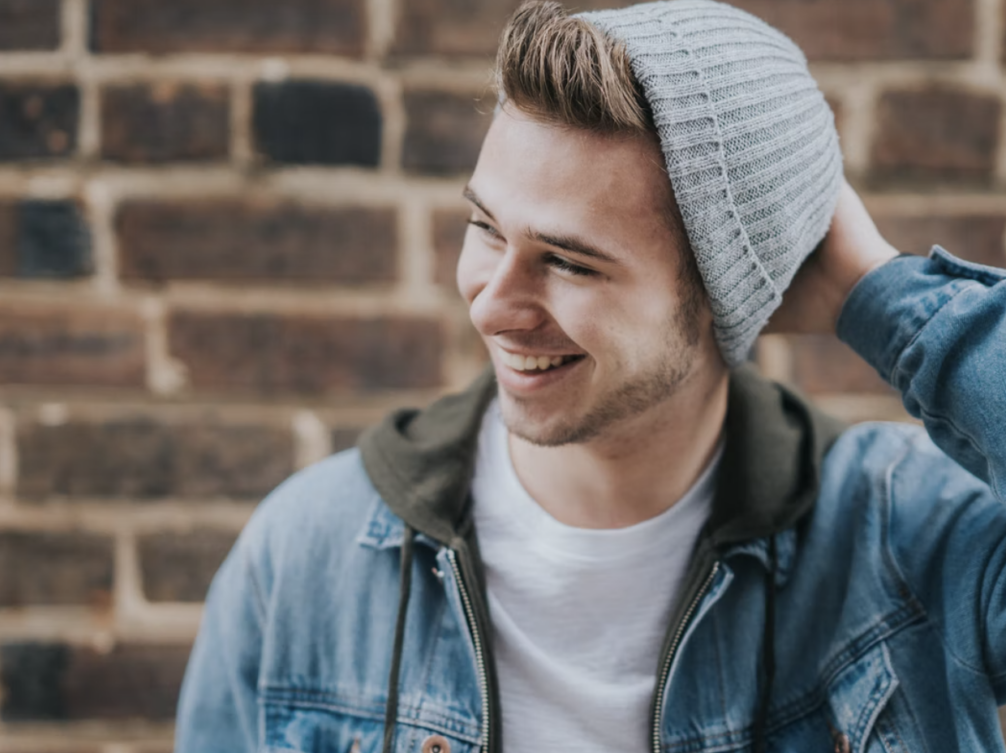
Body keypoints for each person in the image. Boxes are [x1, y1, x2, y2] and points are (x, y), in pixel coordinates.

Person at [175, 1, 1006, 751]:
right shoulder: (306, 557)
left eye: (569, 262)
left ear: (722, 292)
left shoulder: (909, 542)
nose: (492, 306)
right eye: (486, 228)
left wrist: (876, 289)